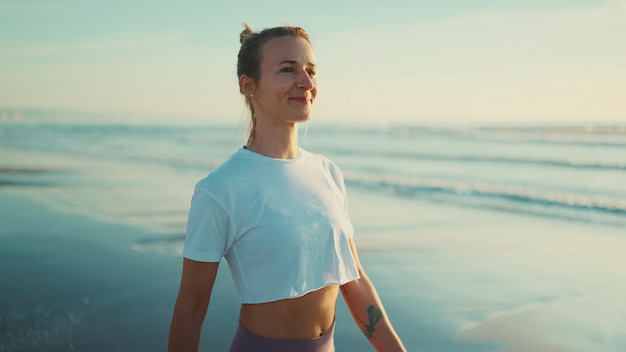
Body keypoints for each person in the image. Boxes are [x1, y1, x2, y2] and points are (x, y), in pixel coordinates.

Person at [168, 23, 407, 352]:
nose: (306, 83)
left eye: (311, 70)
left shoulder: (328, 173)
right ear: (248, 85)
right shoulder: (221, 190)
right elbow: (190, 311)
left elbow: (355, 281)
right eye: (287, 69)